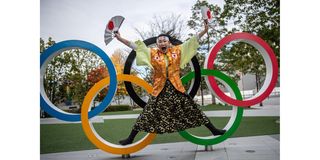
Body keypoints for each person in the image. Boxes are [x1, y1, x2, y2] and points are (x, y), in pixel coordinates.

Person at [115, 22, 226, 145]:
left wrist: (205, 30)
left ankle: (214, 130)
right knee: (147, 113)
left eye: (164, 41)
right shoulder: (152, 53)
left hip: (176, 88)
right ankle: (130, 138)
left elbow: (193, 41)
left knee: (193, 109)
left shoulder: (177, 51)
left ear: (169, 43)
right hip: (160, 90)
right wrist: (120, 38)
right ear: (157, 44)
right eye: (160, 41)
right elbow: (135, 46)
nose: (162, 43)